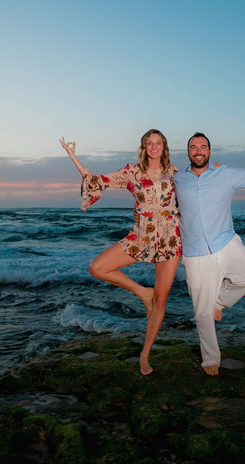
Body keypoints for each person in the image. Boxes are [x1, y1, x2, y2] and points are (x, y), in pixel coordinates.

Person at [60, 129, 181, 376]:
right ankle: (141, 292)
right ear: (144, 147)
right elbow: (98, 181)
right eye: (150, 143)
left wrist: (215, 169)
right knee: (97, 267)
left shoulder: (177, 174)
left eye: (159, 143)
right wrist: (73, 157)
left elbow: (202, 185)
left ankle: (145, 354)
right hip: (141, 236)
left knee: (161, 300)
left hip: (169, 239)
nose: (154, 147)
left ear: (164, 147)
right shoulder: (132, 172)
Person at [174, 121, 245, 376]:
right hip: (195, 253)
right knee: (201, 313)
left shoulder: (224, 173)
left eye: (203, 146)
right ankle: (211, 358)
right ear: (188, 152)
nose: (198, 150)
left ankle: (220, 302)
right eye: (193, 147)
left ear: (210, 151)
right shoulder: (177, 178)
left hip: (226, 243)